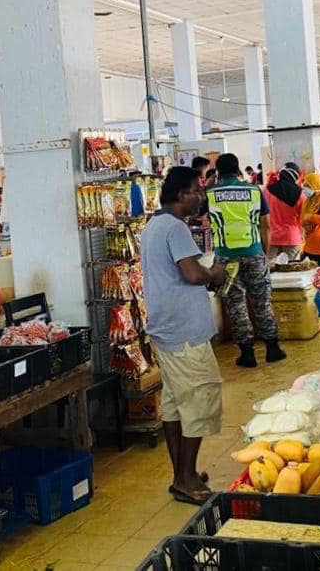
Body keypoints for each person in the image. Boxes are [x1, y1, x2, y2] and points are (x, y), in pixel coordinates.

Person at [141, 166, 225, 505]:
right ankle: (186, 478)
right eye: (196, 191)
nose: (201, 197)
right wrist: (214, 273)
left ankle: (182, 475)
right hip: (185, 334)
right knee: (199, 400)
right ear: (181, 194)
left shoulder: (154, 225)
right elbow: (192, 274)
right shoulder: (175, 228)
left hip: (167, 330)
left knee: (175, 405)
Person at [206, 153, 285, 368]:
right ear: (238, 168)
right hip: (254, 252)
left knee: (236, 305)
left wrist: (210, 182)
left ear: (219, 171)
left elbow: (200, 216)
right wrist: (263, 253)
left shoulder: (211, 194)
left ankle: (247, 354)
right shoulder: (253, 191)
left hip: (225, 257)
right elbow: (265, 225)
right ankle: (273, 349)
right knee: (262, 302)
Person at [265, 163, 304, 261]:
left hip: (272, 237)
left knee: (271, 268)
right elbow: (302, 219)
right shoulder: (300, 194)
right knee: (292, 268)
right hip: (292, 237)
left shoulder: (267, 191)